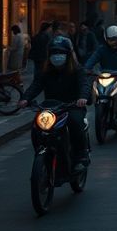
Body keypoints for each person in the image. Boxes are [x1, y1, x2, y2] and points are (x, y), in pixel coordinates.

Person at [19, 36, 90, 173]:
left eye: (61, 53)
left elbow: (84, 85)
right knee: (37, 126)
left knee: (75, 122)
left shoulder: (77, 70)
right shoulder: (45, 71)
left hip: (72, 106)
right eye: (54, 53)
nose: (57, 56)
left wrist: (82, 98)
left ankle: (81, 155)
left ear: (68, 54)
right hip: (51, 108)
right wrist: (25, 99)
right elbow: (36, 85)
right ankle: (41, 151)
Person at [84, 26, 117, 122]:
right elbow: (93, 58)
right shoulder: (102, 49)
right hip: (104, 75)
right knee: (94, 87)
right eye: (111, 39)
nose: (113, 42)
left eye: (115, 39)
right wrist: (87, 68)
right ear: (106, 39)